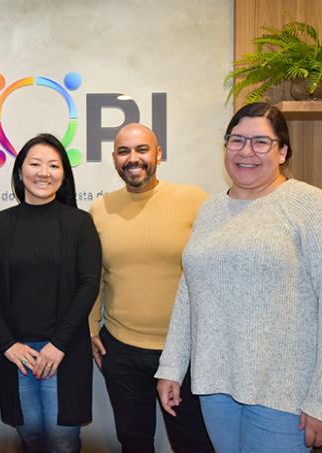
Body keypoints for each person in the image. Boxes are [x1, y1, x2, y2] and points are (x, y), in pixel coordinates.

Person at [156, 102, 322, 452]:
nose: (246, 151)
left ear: (282, 152)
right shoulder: (211, 209)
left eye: (261, 142)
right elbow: (189, 292)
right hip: (216, 386)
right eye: (236, 140)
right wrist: (171, 366)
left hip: (283, 393)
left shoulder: (311, 205)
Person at [88, 123, 213, 453]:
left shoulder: (195, 201)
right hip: (122, 349)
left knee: (194, 443)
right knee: (134, 442)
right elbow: (94, 275)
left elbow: (215, 274)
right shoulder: (100, 209)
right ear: (114, 158)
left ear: (158, 153)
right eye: (124, 151)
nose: (133, 158)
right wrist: (90, 329)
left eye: (142, 149)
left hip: (184, 351)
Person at [0, 134, 101, 453]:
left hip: (64, 351)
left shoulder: (80, 223)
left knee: (63, 441)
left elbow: (89, 284)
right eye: (34, 163)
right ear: (20, 172)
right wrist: (7, 344)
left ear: (63, 174)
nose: (43, 172)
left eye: (53, 165)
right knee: (30, 436)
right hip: (16, 355)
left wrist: (58, 345)